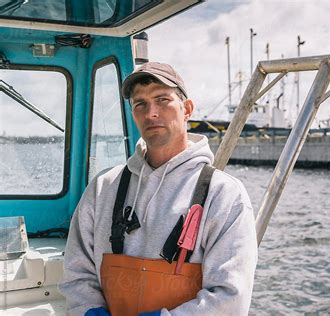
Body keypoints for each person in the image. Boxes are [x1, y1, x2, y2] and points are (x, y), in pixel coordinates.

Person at [58, 62, 258, 316]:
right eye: (139, 103)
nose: (150, 112)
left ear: (187, 109)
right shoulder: (103, 187)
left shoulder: (224, 194)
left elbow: (231, 297)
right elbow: (77, 272)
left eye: (162, 99)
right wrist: (89, 310)